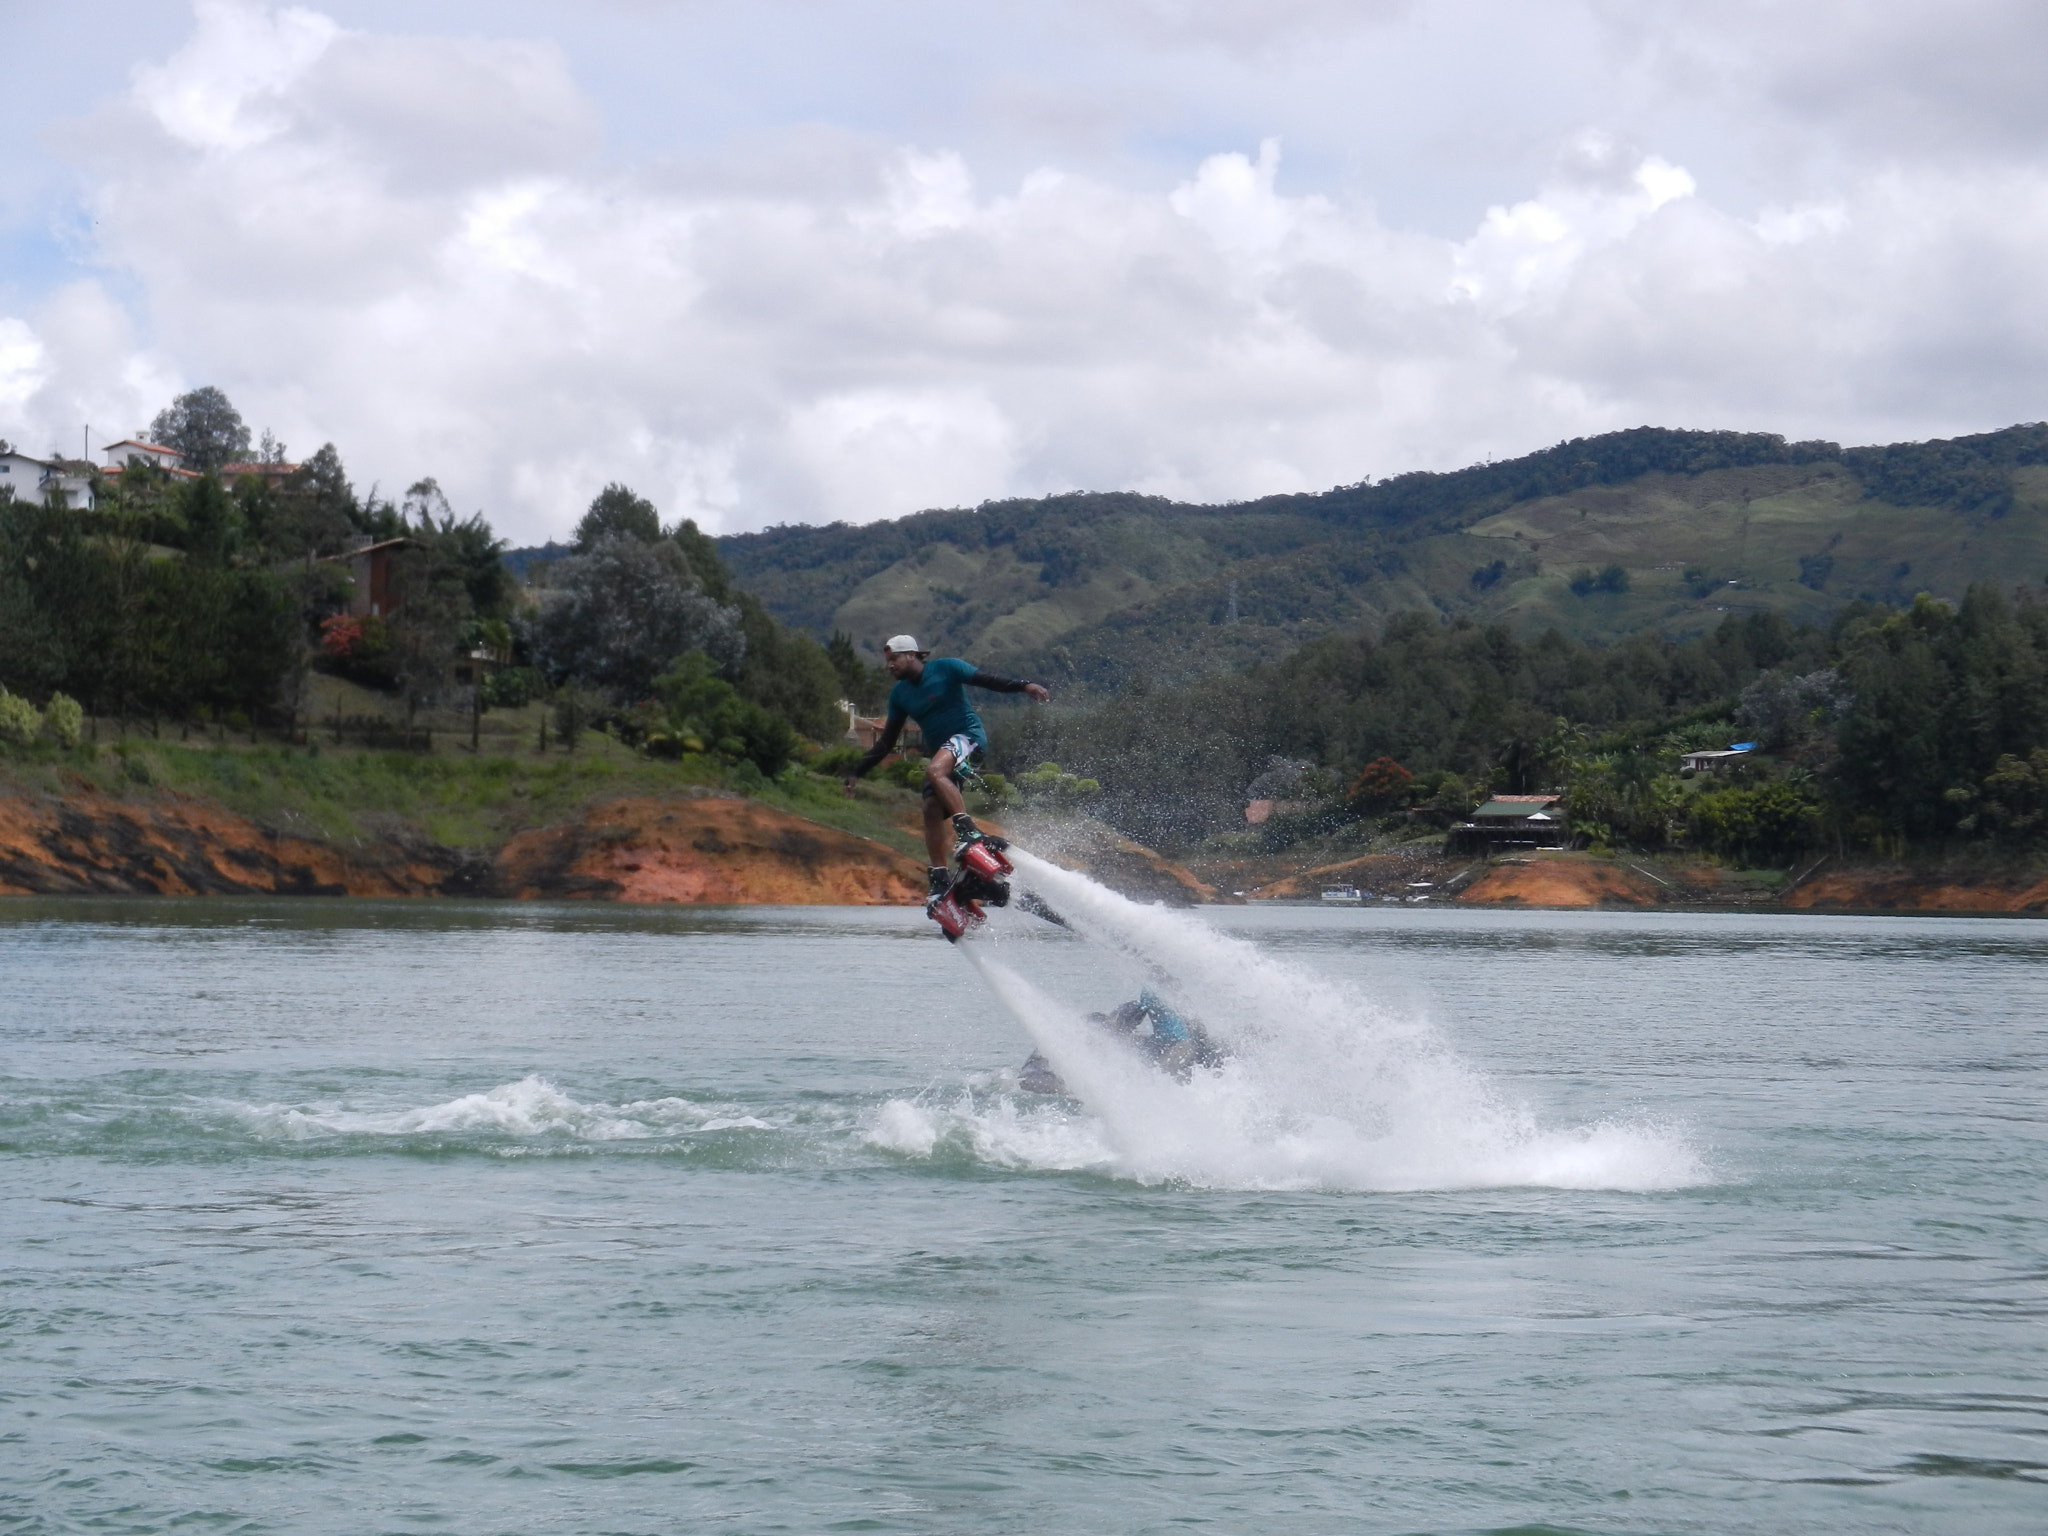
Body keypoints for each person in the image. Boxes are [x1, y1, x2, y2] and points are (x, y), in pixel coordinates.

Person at [843, 634, 1050, 911]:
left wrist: (1025, 686)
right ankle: (940, 878)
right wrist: (857, 771)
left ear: (912, 655)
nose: (890, 666)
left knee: (935, 770)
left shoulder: (947, 668)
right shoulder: (900, 694)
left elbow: (987, 680)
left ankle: (969, 832)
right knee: (929, 808)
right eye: (887, 661)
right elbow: (886, 742)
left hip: (968, 738)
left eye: (894, 659)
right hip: (945, 752)